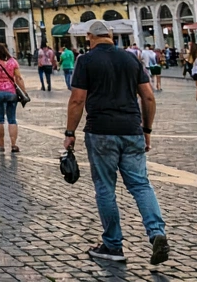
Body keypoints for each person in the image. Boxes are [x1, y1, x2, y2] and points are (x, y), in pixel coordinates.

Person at [64, 21, 169, 265]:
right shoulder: (131, 59)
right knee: (141, 185)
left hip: (101, 132)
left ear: (90, 37)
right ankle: (157, 233)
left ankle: (113, 245)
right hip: (132, 130)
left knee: (105, 187)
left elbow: (77, 100)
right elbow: (149, 97)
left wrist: (70, 132)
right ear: (111, 36)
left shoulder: (86, 61)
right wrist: (147, 130)